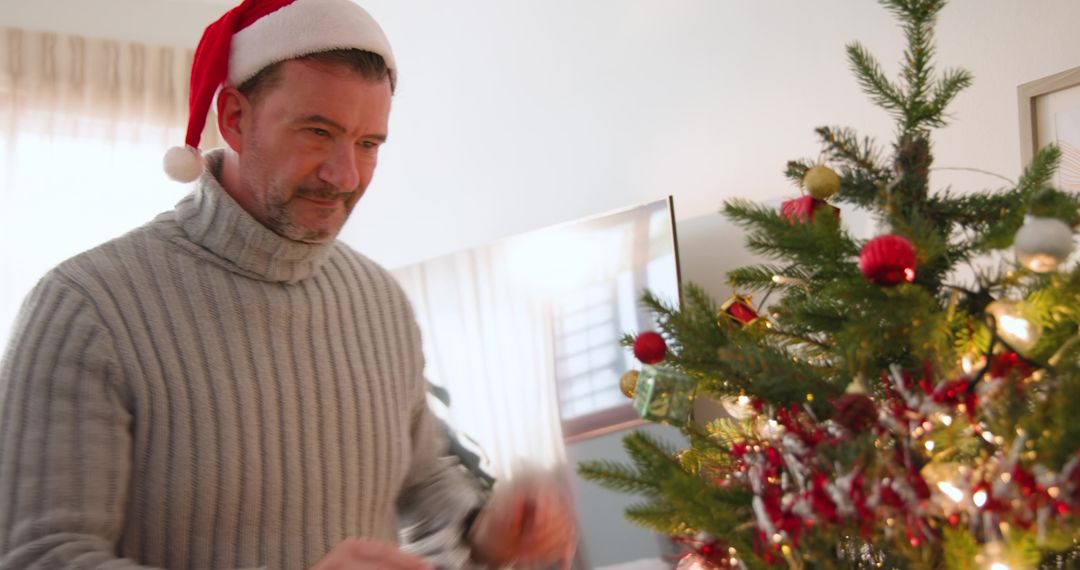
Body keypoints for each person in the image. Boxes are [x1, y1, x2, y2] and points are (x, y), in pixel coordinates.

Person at [0, 0, 576, 568]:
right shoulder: (84, 307)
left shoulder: (380, 302)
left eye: (368, 144)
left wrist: (483, 531)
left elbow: (422, 482)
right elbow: (41, 556)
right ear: (234, 118)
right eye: (318, 131)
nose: (345, 175)